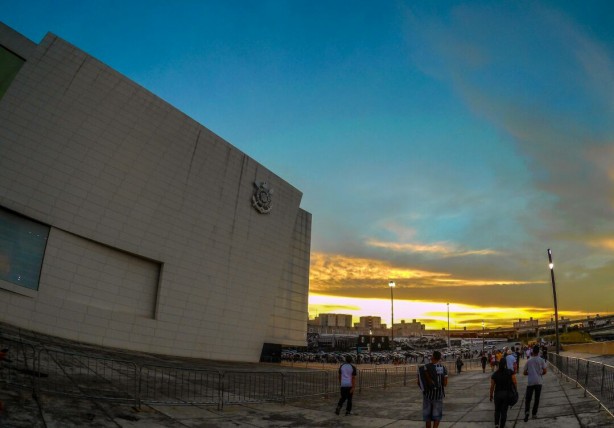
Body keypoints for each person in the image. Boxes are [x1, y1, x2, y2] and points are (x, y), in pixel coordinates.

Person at [417, 350, 448, 428]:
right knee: (437, 416)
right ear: (439, 358)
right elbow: (445, 384)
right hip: (438, 395)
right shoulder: (443, 368)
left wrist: (425, 389)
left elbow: (418, 382)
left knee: (427, 417)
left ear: (432, 357)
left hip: (427, 395)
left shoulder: (424, 367)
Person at [523, 345, 548, 421]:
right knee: (536, 399)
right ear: (538, 352)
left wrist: (530, 373)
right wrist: (540, 374)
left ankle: (527, 412)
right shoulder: (541, 360)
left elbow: (524, 372)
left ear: (532, 351)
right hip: (538, 381)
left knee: (528, 399)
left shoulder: (529, 361)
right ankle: (534, 414)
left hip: (530, 382)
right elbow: (545, 371)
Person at [490, 359, 517, 428]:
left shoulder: (495, 374)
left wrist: (491, 395)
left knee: (497, 410)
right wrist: (515, 391)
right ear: (505, 364)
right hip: (506, 394)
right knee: (504, 411)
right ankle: (502, 425)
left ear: (499, 364)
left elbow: (492, 386)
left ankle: (496, 424)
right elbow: (514, 382)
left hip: (497, 394)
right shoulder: (509, 372)